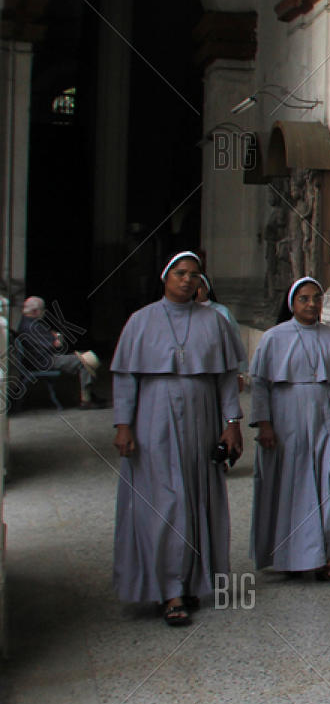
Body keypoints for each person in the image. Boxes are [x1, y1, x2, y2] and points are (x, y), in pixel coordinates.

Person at [110, 252, 244, 626]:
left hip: (202, 416)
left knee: (196, 496)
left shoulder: (214, 322)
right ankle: (168, 588)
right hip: (153, 416)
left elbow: (225, 377)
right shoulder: (141, 321)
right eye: (180, 274)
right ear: (165, 277)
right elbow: (126, 377)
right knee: (165, 500)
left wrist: (232, 422)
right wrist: (124, 424)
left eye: (194, 274)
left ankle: (191, 581)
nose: (187, 280)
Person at [247, 276, 330, 583]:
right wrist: (265, 425)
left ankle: (325, 556)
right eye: (305, 299)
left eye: (317, 299)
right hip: (287, 420)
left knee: (328, 486)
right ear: (292, 303)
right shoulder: (274, 338)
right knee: (292, 487)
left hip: (326, 418)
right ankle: (290, 555)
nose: (312, 304)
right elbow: (260, 385)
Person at [17, 295, 102, 407]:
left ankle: (87, 394)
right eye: (42, 310)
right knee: (87, 360)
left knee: (84, 356)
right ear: (35, 311)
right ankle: (86, 399)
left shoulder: (27, 322)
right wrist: (56, 338)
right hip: (46, 360)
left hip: (43, 358)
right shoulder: (32, 326)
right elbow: (55, 344)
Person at [196, 273, 247, 392]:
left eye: (199, 286)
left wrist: (239, 372)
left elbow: (235, 341)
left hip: (218, 369)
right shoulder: (184, 313)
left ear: (206, 288)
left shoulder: (222, 312)